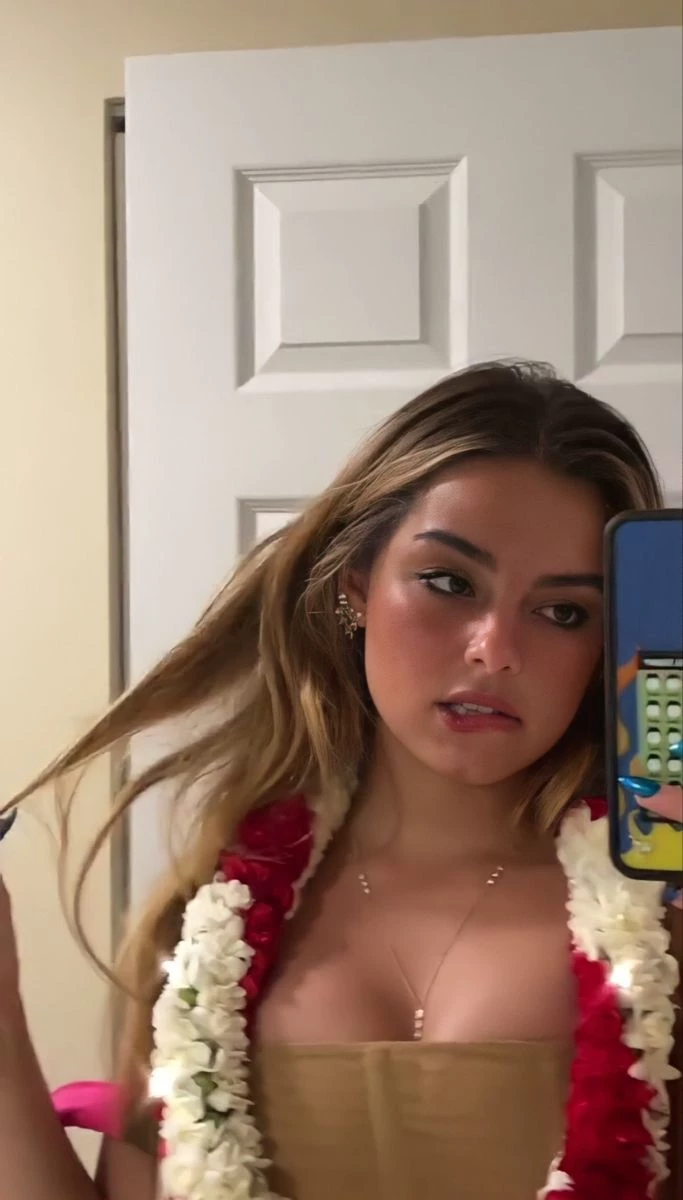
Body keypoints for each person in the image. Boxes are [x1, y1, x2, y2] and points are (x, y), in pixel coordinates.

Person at [0, 360, 680, 1200]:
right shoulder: (211, 918)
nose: (494, 649)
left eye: (562, 611)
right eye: (447, 582)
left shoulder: (660, 910)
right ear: (356, 588)